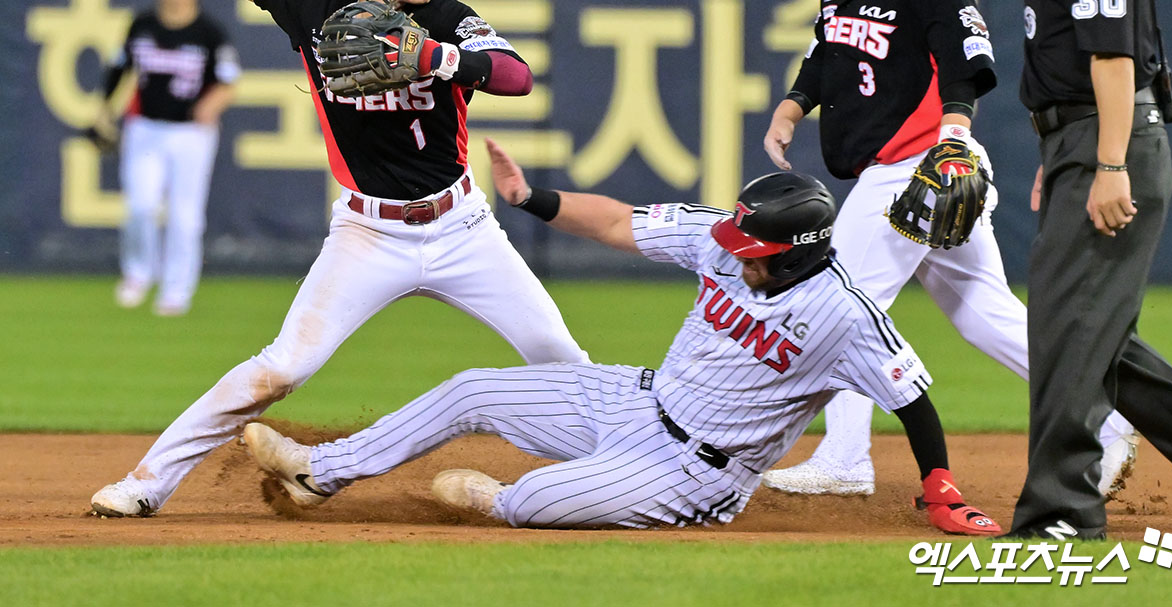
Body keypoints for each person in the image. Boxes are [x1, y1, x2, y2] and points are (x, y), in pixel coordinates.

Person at [89, 0, 589, 518]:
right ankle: (148, 482)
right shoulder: (318, 10)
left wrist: (433, 57)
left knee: (562, 361)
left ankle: (649, 467)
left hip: (462, 228)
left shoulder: (446, 17)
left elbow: (516, 76)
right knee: (282, 368)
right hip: (368, 233)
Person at [241, 138, 1001, 535]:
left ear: (797, 251)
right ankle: (321, 469)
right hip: (634, 399)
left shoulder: (844, 314)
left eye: (753, 250)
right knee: (473, 386)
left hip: (700, 473)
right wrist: (531, 197)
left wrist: (941, 491)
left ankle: (502, 502)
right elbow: (614, 221)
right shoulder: (726, 237)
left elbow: (915, 399)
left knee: (534, 500)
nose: (733, 250)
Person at [760, 0, 1139, 500]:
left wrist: (956, 129)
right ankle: (1107, 418)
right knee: (983, 314)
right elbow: (825, 53)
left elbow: (967, 51)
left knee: (842, 302)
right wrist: (794, 105)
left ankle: (846, 455)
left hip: (920, 166)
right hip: (900, 170)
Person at [1008, 0, 1172, 540]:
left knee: (1065, 329)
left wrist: (1106, 162)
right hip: (1088, 139)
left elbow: (1114, 59)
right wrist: (1061, 152)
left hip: (1108, 141)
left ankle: (1061, 508)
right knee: (1098, 335)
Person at [97, 0, 238, 317]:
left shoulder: (208, 32)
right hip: (145, 127)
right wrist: (104, 110)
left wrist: (211, 104)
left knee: (184, 216)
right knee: (140, 206)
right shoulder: (142, 24)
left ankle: (177, 289)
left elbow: (227, 81)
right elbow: (119, 68)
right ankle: (138, 274)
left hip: (191, 133)